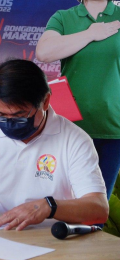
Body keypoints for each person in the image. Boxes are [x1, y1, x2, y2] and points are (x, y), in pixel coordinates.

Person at [0, 59, 109, 230]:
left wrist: (49, 207)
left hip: (51, 237)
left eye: (19, 116)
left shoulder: (74, 140)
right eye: (0, 115)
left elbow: (99, 208)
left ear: (45, 101)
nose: (9, 123)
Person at [36, 0, 120, 200]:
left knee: (96, 207)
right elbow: (44, 52)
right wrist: (92, 33)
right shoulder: (64, 17)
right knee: (64, 202)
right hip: (69, 127)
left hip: (113, 128)